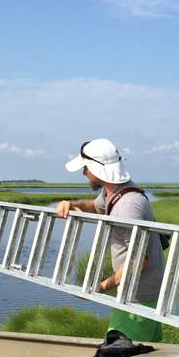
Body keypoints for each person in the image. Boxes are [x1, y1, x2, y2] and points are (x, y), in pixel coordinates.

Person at [57, 139, 164, 343]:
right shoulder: (115, 192)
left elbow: (140, 261)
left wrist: (98, 287)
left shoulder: (127, 207)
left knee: (121, 354)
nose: (84, 173)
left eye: (86, 168)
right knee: (146, 351)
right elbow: (95, 207)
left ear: (98, 169)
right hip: (138, 291)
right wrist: (71, 204)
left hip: (137, 296)